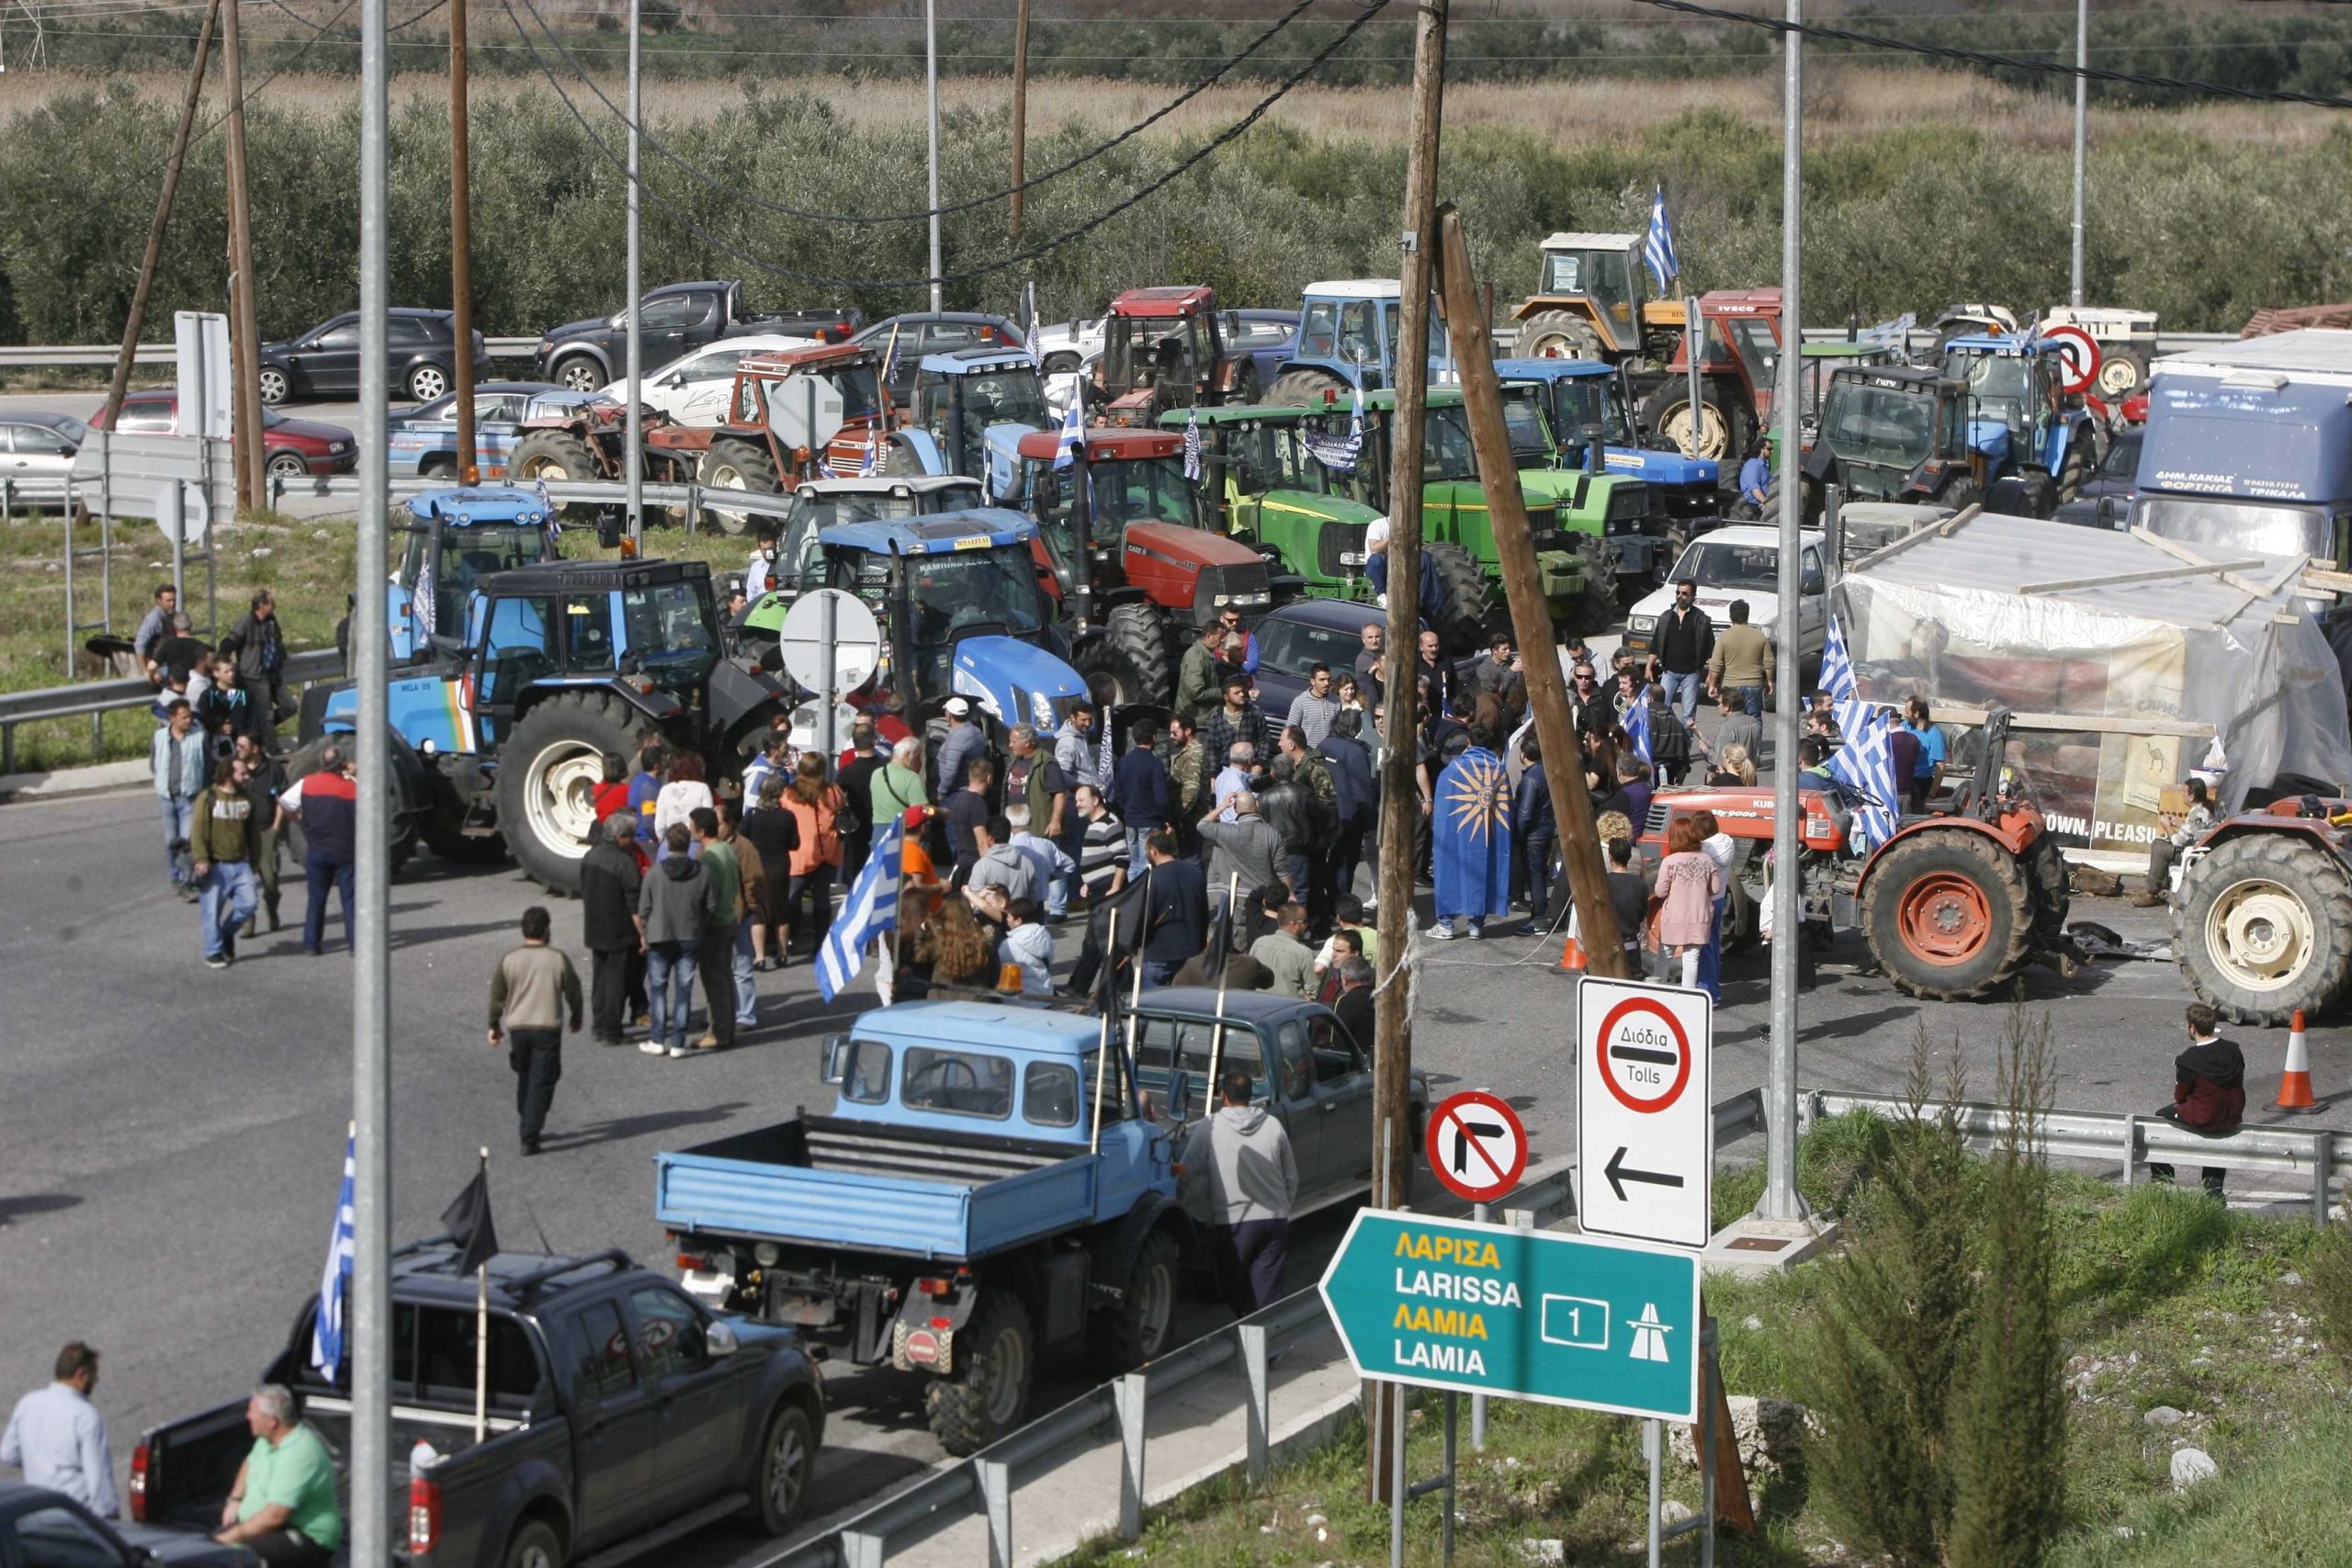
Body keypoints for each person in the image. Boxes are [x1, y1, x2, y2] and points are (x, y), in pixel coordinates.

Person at [1180, 1068, 1299, 1318]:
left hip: (1235, 1223)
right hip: (1274, 1218)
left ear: (1223, 1096)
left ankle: (1247, 1345)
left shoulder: (1210, 1126)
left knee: (1233, 1289)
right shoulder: (1273, 1125)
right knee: (1267, 1291)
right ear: (1249, 1096)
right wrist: (1284, 1208)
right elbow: (1291, 1176)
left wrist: (1181, 1201)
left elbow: (1188, 1170)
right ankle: (1269, 1350)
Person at [486, 906, 583, 1156]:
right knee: (543, 1079)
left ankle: (528, 1117)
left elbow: (497, 996)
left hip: (518, 1028)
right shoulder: (557, 958)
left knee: (525, 1076)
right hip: (546, 1028)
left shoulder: (510, 959)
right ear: (547, 929)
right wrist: (577, 1016)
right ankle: (529, 1135)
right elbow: (573, 989)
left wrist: (493, 1026)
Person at [212, 1384, 342, 1565]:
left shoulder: (299, 1454)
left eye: (252, 1412)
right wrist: (235, 1499)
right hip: (265, 1525)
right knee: (209, 1549)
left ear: (272, 1422)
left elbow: (275, 1516)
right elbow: (250, 1463)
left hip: (306, 1536)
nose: (248, 1416)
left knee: (241, 1557)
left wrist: (234, 1535)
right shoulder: (267, 1439)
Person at [1, 1342, 117, 1517]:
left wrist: (40, 1465)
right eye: (94, 1375)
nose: (95, 1381)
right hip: (74, 1517)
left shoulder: (28, 1403)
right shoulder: (85, 1415)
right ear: (81, 1375)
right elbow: (99, 1483)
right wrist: (110, 1520)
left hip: (37, 1515)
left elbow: (8, 1454)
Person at [636, 822, 717, 1058]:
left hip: (659, 936)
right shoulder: (703, 871)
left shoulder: (654, 872)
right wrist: (699, 924)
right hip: (689, 935)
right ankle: (679, 1043)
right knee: (684, 990)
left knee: (658, 989)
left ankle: (658, 1039)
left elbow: (644, 908)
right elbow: (710, 905)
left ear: (668, 844)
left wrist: (645, 934)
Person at [2148, 1003, 2245, 1197]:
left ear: (2192, 1028)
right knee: (2217, 1139)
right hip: (2231, 1114)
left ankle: (2163, 1177)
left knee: (2158, 1119)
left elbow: (2180, 1095)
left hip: (2204, 1116)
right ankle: (2213, 1191)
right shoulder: (2233, 1050)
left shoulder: (2189, 1059)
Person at [1430, 725, 1512, 942]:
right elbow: (1505, 803)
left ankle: (1446, 923)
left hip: (1456, 830)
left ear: (1468, 742)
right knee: (1482, 872)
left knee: (1449, 871)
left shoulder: (1454, 768)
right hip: (1489, 830)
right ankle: (1476, 923)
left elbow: (1443, 805)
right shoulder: (1498, 768)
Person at [277, 750, 357, 955]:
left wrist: (299, 820)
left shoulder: (307, 783)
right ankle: (355, 945)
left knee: (316, 900)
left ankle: (312, 944)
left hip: (316, 848)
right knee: (349, 901)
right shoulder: (352, 789)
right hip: (345, 851)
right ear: (343, 765)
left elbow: (285, 803)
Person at [579, 813, 644, 1046]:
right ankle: (612, 1030)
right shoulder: (625, 863)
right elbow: (635, 905)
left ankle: (598, 1025)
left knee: (600, 978)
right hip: (619, 930)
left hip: (595, 926)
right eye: (630, 836)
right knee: (617, 981)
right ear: (619, 838)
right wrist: (643, 935)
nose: (633, 840)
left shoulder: (590, 856)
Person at [191, 758, 258, 969]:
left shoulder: (246, 799)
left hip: (241, 864)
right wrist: (201, 859)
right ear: (229, 774)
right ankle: (213, 952)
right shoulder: (208, 797)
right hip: (215, 866)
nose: (247, 777)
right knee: (211, 912)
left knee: (249, 903)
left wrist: (255, 860)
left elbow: (252, 834)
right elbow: (198, 831)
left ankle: (227, 932)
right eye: (243, 774)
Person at [689, 807, 741, 1049]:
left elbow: (707, 897)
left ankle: (719, 1032)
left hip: (715, 924)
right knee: (725, 978)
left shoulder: (708, 858)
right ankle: (727, 1029)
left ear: (700, 830)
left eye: (692, 825)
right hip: (729, 918)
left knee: (715, 981)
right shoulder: (727, 849)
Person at [1653, 816, 1724, 990]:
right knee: (1691, 959)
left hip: (1675, 917)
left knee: (1664, 956)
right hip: (1699, 916)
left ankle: (1657, 992)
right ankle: (1688, 996)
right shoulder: (1707, 860)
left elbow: (1660, 892)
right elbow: (1715, 889)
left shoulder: (1670, 861)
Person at [780, 755, 842, 952]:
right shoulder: (833, 791)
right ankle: (821, 941)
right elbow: (841, 809)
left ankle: (790, 939)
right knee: (822, 896)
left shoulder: (789, 793)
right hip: (828, 849)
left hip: (798, 851)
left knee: (793, 896)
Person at [739, 775, 800, 967]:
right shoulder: (787, 816)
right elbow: (795, 844)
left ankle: (759, 956)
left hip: (757, 866)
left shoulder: (753, 814)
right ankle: (782, 953)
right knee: (781, 910)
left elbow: (742, 836)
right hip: (780, 866)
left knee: (758, 912)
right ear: (780, 792)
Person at [1132, 831, 1209, 987]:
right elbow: (1204, 912)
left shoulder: (1151, 878)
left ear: (1153, 851)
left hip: (1158, 954)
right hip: (1190, 950)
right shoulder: (1195, 873)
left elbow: (1145, 917)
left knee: (1153, 1005)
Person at [152, 698, 207, 899]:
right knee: (170, 841)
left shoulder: (199, 737)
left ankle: (186, 880)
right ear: (172, 718)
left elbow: (206, 765)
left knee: (185, 841)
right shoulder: (159, 737)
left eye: (189, 716)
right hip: (167, 797)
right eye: (184, 717)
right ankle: (174, 876)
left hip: (189, 797)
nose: (188, 720)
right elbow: (154, 763)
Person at [218, 590, 291, 740]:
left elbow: (277, 642)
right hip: (255, 675)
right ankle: (271, 748)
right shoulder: (246, 622)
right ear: (262, 605)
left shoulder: (272, 622)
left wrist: (281, 656)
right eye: (271, 602)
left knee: (289, 707)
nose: (275, 605)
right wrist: (223, 665)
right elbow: (229, 643)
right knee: (267, 714)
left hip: (273, 673)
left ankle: (257, 728)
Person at [1198, 789, 1283, 917]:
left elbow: (1202, 825)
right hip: (1265, 899)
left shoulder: (1227, 832)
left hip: (1240, 900)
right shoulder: (1272, 833)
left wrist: (1222, 806)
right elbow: (1282, 871)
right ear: (1257, 805)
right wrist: (1289, 896)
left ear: (1235, 810)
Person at [1319, 710, 1375, 904]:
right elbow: (1362, 789)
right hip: (1349, 817)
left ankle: (1325, 899)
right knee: (1344, 863)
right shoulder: (1356, 751)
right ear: (1356, 728)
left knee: (1325, 860)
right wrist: (1369, 823)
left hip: (1323, 814)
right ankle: (1339, 904)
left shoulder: (1324, 745)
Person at [2134, 777, 2215, 908]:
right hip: (2202, 848)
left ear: (2191, 797)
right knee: (2162, 843)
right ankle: (2161, 889)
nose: (2182, 794)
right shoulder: (2205, 808)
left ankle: (2153, 892)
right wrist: (2179, 824)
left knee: (2159, 846)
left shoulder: (2197, 813)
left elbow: (2178, 842)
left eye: (2184, 792)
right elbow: (2196, 831)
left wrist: (2167, 826)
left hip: (2195, 855)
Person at [1654, 579, 1715, 725]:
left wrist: (1712, 676)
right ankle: (1669, 739)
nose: (1680, 596)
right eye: (1678, 592)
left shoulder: (1701, 620)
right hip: (1669, 672)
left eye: (1684, 593)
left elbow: (1710, 650)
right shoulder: (1666, 617)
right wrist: (1649, 666)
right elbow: (1656, 644)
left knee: (1688, 715)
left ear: (1693, 596)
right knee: (1662, 708)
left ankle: (1685, 745)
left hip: (1691, 674)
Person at [1111, 731, 1171, 876]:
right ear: (1154, 737)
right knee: (1146, 865)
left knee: (1133, 863)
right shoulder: (1154, 764)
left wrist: (1128, 809)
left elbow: (1118, 793)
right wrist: (1165, 819)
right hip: (1149, 819)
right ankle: (1144, 896)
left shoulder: (1123, 762)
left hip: (1130, 819)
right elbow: (1161, 797)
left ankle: (1133, 896)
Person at [1514, 734, 1557, 930]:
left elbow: (1525, 813)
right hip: (1546, 830)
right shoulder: (1545, 772)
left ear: (1524, 754)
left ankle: (1539, 918)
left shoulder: (1530, 778)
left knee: (1536, 878)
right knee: (1540, 875)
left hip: (1534, 835)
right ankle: (1539, 914)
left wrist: (1518, 835)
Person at [1007, 806, 1077, 922]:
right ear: (1030, 820)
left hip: (1015, 903)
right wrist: (1051, 876)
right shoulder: (1046, 844)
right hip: (1038, 901)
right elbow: (1069, 864)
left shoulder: (1009, 847)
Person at [835, 717, 885, 884]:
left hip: (856, 824)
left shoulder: (847, 772)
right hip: (881, 822)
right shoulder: (886, 766)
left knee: (855, 866)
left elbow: (836, 797)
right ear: (874, 741)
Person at [1705, 599, 1772, 717]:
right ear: (1747, 615)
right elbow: (1769, 662)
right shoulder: (1760, 636)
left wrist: (1712, 684)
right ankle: (1753, 736)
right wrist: (1770, 682)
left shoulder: (1724, 637)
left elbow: (1716, 664)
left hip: (1731, 684)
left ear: (1730, 616)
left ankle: (1734, 736)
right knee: (1754, 717)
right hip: (1754, 683)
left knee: (1732, 717)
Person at [1200, 674, 1267, 788]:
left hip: (1250, 769)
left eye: (1242, 691)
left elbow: (1265, 739)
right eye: (1236, 693)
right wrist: (1213, 776)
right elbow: (1213, 750)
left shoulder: (1254, 712)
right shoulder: (1217, 718)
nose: (1241, 695)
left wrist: (1260, 764)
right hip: (1226, 770)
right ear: (1226, 697)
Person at [1250, 900, 1317, 999]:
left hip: (1258, 1005)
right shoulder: (1304, 953)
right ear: (1294, 924)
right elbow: (1314, 990)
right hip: (1289, 1009)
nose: (1307, 925)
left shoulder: (1258, 944)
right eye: (1305, 922)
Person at [966, 814, 1036, 904]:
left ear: (990, 838)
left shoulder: (982, 866)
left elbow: (975, 901)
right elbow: (1033, 900)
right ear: (1009, 836)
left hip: (990, 916)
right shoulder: (1027, 863)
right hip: (1021, 915)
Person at [1165, 714, 1208, 858]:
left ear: (1188, 731)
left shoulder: (1193, 754)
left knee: (1191, 858)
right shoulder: (1188, 752)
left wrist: (1178, 813)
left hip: (1190, 818)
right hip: (1188, 817)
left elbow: (1191, 789)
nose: (1171, 736)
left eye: (1175, 733)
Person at [1604, 837, 1649, 975]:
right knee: (1631, 979)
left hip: (1604, 939)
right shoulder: (1640, 885)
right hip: (1630, 940)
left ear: (1610, 856)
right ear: (1629, 857)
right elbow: (1642, 913)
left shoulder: (1602, 881)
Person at [945, 756, 996, 878]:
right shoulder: (977, 803)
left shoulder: (958, 800)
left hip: (961, 860)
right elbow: (982, 841)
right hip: (974, 864)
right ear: (989, 778)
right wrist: (989, 869)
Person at [998, 897, 1055, 998]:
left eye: (1009, 916)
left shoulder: (1009, 944)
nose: (1007, 919)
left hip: (1023, 1000)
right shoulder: (1044, 934)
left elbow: (998, 967)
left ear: (1018, 920)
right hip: (1046, 994)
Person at [871, 735, 929, 833]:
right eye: (917, 756)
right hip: (901, 831)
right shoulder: (911, 778)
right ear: (907, 754)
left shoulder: (876, 773)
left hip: (878, 831)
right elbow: (920, 811)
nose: (918, 761)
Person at [1175, 622, 1228, 725]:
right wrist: (1222, 692)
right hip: (1196, 718)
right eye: (1221, 636)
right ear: (1209, 636)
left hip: (1202, 714)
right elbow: (1196, 693)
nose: (1223, 640)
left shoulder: (1206, 655)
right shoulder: (1196, 658)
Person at [933, 696, 987, 796]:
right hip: (969, 789)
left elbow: (950, 772)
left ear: (949, 715)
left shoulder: (957, 740)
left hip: (955, 793)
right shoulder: (977, 732)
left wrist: (941, 791)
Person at [1903, 696, 1946, 812]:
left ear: (1916, 714)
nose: (1905, 714)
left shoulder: (1934, 735)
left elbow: (1940, 768)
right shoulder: (1905, 726)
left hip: (1921, 784)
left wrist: (1931, 795)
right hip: (1904, 780)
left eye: (1907, 711)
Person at [1284, 664, 1340, 747]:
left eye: (1329, 679)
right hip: (1307, 754)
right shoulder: (1300, 702)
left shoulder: (1337, 701)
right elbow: (1291, 731)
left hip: (1329, 753)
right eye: (1322, 680)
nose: (1326, 683)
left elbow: (1340, 729)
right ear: (1313, 681)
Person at [132, 582, 177, 681]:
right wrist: (147, 672)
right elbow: (139, 644)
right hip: (161, 669)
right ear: (159, 601)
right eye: (168, 601)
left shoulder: (173, 616)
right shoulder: (154, 619)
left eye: (174, 600)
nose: (172, 604)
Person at [1332, 955, 1375, 1053]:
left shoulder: (1344, 1002)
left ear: (1345, 980)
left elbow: (1337, 1039)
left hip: (1359, 1061)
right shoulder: (1382, 997)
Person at [1353, 620, 1386, 707]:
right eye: (1370, 637)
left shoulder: (1384, 654)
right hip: (1370, 703)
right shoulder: (1364, 658)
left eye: (1377, 636)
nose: (1374, 641)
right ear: (1363, 639)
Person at [1736, 436, 1770, 516]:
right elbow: (1754, 489)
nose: (1772, 451)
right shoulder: (1753, 466)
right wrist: (1766, 503)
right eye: (1769, 449)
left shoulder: (1763, 466)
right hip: (1753, 507)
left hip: (1761, 505)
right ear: (1761, 449)